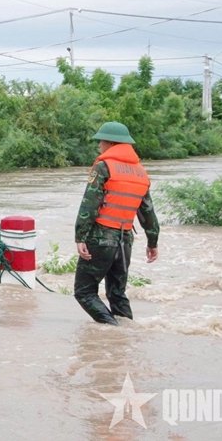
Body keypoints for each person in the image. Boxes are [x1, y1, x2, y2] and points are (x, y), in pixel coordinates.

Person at [74, 122, 160, 325]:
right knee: (117, 293)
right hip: (124, 241)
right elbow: (148, 213)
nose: (99, 146)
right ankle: (126, 336)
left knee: (84, 291)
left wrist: (80, 236)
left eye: (101, 141)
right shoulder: (141, 172)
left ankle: (113, 329)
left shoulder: (104, 166)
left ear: (111, 142)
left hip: (100, 239)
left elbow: (89, 204)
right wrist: (152, 242)